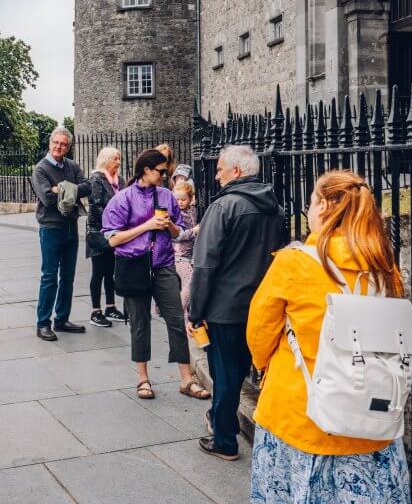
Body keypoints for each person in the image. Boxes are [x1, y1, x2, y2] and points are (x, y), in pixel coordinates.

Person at [247, 170, 412, 504]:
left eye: (310, 203)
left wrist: (264, 368)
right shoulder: (384, 267)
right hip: (370, 418)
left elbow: (259, 332)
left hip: (302, 416)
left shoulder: (294, 263)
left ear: (323, 206)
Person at [189, 144, 284, 461]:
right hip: (261, 308)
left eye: (219, 169)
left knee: (226, 376)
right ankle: (220, 422)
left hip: (225, 309)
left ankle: (224, 440)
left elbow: (204, 265)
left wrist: (196, 311)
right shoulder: (274, 207)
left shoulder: (224, 207)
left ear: (237, 171)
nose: (216, 176)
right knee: (243, 371)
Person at [102, 149, 209, 402]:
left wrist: (169, 225)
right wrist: (147, 225)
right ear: (146, 170)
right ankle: (143, 378)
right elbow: (113, 239)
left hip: (163, 264)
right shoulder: (122, 199)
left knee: (176, 319)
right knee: (140, 323)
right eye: (161, 171)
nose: (165, 175)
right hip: (133, 266)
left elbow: (179, 233)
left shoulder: (166, 196)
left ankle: (186, 379)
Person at [30, 128, 91, 341]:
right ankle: (43, 323)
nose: (59, 147)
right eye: (56, 143)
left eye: (63, 144)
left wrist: (62, 188)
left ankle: (62, 319)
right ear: (50, 143)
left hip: (70, 226)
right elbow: (46, 197)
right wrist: (65, 190)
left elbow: (88, 186)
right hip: (50, 227)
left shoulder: (72, 166)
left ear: (68, 147)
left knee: (68, 277)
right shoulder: (41, 169)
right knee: (49, 277)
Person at [84, 146, 126, 327]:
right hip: (98, 233)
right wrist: (114, 222)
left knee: (111, 272)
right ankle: (95, 311)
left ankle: (110, 307)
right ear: (106, 159)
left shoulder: (120, 181)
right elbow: (96, 207)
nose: (118, 162)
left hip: (115, 232)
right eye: (115, 158)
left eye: (119, 158)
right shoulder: (96, 179)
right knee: (99, 272)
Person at [171, 179, 199, 319]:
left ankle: (188, 317)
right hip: (179, 256)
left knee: (191, 286)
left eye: (183, 199)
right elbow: (175, 237)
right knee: (190, 282)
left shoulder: (193, 210)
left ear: (191, 198)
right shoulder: (175, 215)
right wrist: (193, 231)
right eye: (177, 199)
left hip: (192, 255)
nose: (180, 202)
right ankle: (178, 313)